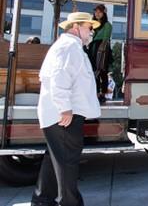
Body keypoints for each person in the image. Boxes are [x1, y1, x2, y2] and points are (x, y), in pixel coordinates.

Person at [31, 12, 101, 206]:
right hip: (63, 116)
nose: (91, 32)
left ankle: (42, 200)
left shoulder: (70, 46)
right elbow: (59, 79)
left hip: (61, 115)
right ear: (76, 28)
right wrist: (65, 109)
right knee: (67, 164)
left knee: (54, 161)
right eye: (89, 27)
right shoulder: (69, 47)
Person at [87, 4, 113, 104]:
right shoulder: (93, 25)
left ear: (104, 13)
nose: (97, 13)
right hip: (93, 48)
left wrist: (100, 53)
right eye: (96, 11)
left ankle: (103, 94)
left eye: (100, 12)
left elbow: (105, 40)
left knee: (102, 71)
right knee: (94, 71)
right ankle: (96, 93)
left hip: (102, 49)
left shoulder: (107, 25)